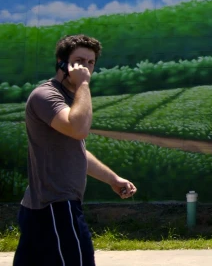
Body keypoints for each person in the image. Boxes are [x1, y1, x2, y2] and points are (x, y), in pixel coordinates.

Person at [14, 34, 137, 266]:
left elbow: (75, 149)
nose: (87, 68)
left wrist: (112, 178)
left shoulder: (69, 99)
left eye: (91, 63)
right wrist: (83, 84)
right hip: (56, 206)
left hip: (44, 207)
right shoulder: (46, 95)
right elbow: (78, 129)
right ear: (62, 62)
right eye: (80, 61)